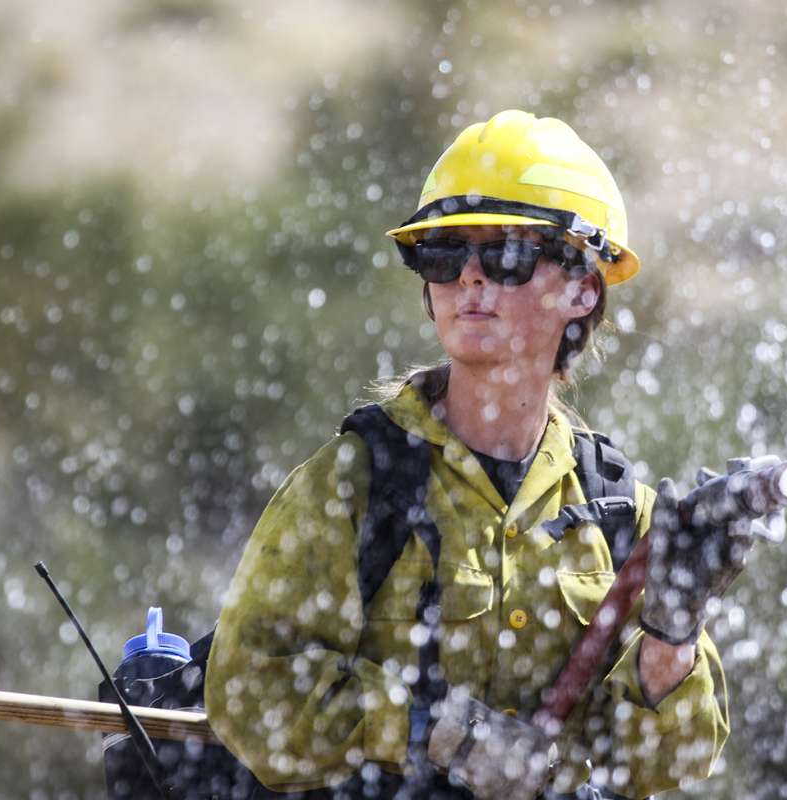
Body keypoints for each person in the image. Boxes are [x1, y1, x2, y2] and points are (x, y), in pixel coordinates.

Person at [206, 110, 751, 799]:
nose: (468, 277)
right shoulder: (356, 485)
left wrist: (672, 631)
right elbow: (251, 691)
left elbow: (666, 765)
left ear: (583, 287)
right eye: (442, 255)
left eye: (505, 254)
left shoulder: (615, 513)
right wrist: (438, 731)